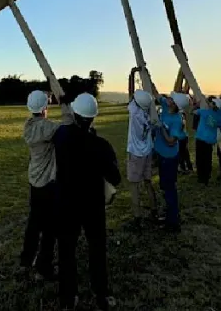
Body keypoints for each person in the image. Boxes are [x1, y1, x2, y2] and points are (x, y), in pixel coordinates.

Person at [53, 93, 121, 311]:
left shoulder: (61, 137)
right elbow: (116, 178)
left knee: (66, 250)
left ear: (75, 114)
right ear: (93, 118)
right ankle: (101, 295)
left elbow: (66, 130)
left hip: (67, 203)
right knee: (97, 249)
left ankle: (68, 297)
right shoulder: (101, 145)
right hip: (93, 205)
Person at [19, 90, 74, 280]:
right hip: (48, 184)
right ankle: (44, 268)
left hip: (34, 180)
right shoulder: (48, 128)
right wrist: (65, 105)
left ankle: (26, 260)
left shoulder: (28, 125)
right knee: (50, 227)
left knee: (34, 223)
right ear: (44, 108)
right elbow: (70, 127)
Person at [125, 90, 159, 229]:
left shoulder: (134, 112)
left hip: (136, 153)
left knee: (134, 186)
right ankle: (154, 210)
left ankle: (137, 217)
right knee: (148, 182)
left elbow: (131, 93)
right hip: (147, 151)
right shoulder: (150, 113)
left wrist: (133, 73)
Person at [153, 94, 183, 233]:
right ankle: (169, 214)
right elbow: (155, 93)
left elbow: (171, 141)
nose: (168, 98)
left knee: (169, 188)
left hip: (169, 158)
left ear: (175, 104)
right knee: (165, 186)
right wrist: (145, 73)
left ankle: (173, 222)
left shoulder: (177, 120)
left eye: (171, 98)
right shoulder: (165, 105)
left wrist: (162, 128)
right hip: (161, 154)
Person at [193, 97, 221, 186]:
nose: (209, 103)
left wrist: (196, 106)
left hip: (200, 138)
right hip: (209, 140)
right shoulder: (219, 115)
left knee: (200, 159)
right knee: (207, 159)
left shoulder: (204, 111)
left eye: (211, 102)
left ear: (214, 105)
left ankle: (201, 177)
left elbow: (192, 112)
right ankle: (206, 177)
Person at [171, 92, 193, 174]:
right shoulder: (180, 113)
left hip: (180, 137)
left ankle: (184, 168)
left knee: (182, 153)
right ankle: (187, 167)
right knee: (184, 152)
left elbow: (180, 126)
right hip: (182, 136)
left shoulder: (179, 114)